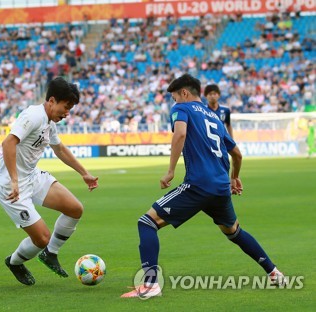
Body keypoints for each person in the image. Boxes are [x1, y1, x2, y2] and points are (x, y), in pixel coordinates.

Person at [121, 74, 285, 299]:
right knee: (234, 231)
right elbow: (237, 153)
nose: (174, 102)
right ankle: (274, 272)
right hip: (220, 187)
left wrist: (170, 171)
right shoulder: (216, 118)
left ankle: (150, 285)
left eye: (175, 97)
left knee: (147, 222)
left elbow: (180, 133)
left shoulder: (183, 109)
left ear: (185, 93)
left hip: (198, 184)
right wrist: (234, 178)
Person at [0, 77, 99, 286]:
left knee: (75, 209)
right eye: (66, 107)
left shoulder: (50, 122)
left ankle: (50, 253)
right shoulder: (33, 116)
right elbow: (8, 143)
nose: (67, 113)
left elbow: (59, 148)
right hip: (11, 186)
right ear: (52, 100)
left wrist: (83, 173)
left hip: (32, 177)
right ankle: (14, 262)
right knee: (41, 238)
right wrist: (15, 181)